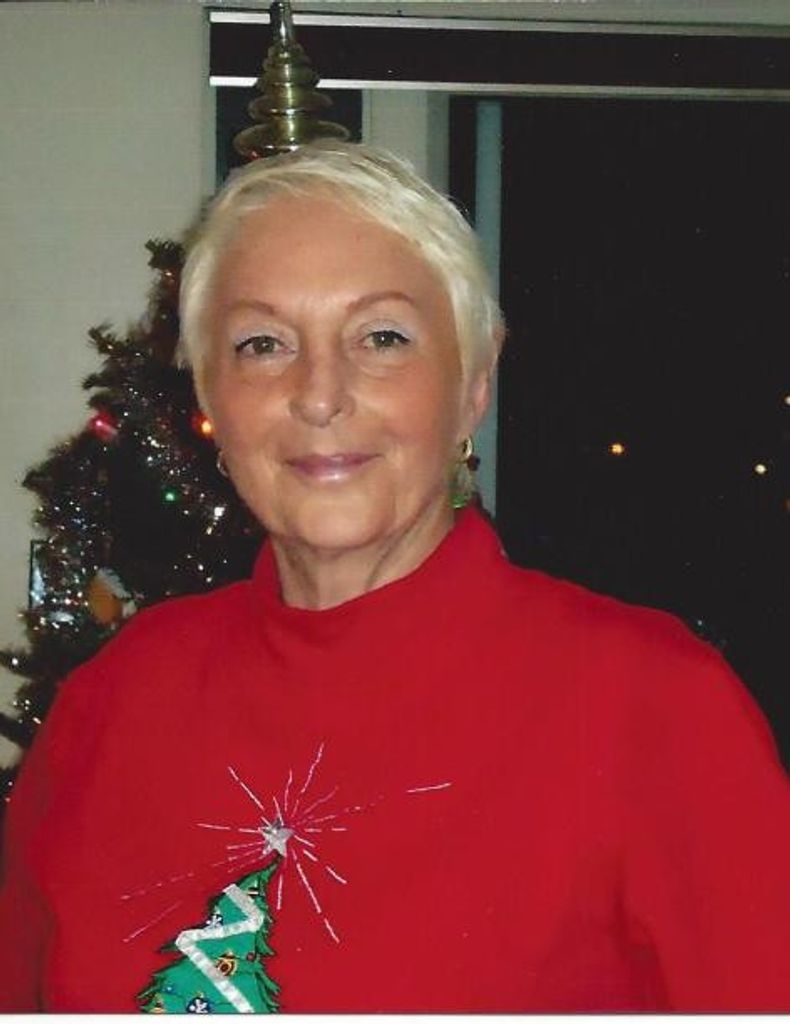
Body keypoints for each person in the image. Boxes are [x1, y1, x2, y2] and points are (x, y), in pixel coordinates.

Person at [1, 140, 789, 1013]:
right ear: (211, 401)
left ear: (473, 384)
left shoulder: (655, 708)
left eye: (383, 338)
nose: (319, 394)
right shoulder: (114, 701)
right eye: (262, 344)